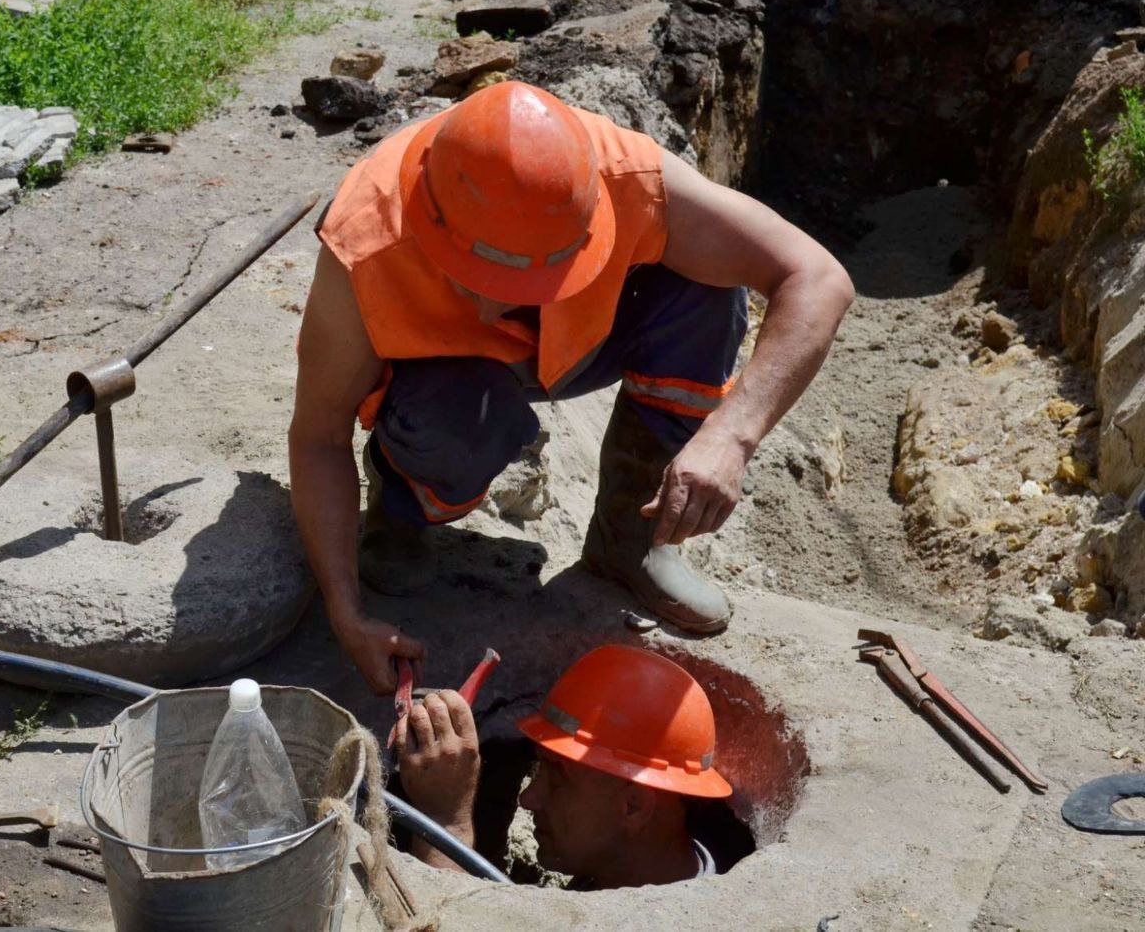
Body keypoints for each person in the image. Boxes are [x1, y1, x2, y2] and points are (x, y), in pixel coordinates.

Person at [290, 81, 853, 693]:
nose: (519, 300)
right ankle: (402, 510)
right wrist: (346, 613)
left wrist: (731, 438)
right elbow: (318, 436)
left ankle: (631, 542)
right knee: (459, 424)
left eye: (547, 273)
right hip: (444, 378)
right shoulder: (367, 238)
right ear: (435, 231)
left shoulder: (623, 175)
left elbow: (819, 277)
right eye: (490, 279)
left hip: (582, 341)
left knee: (708, 293)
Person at [396, 645, 736, 888]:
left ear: (633, 806)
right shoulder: (628, 877)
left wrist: (445, 822)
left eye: (557, 779)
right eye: (537, 770)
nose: (528, 798)